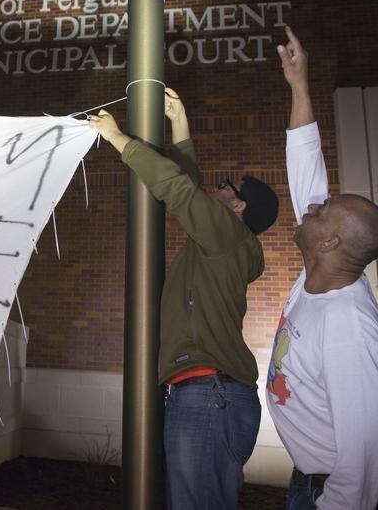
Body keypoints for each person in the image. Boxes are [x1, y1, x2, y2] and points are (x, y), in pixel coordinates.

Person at [89, 88, 279, 509]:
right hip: (213, 394)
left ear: (240, 205)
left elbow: (178, 190)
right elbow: (187, 186)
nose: (219, 187)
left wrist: (118, 138)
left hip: (209, 395)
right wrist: (180, 122)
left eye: (228, 186)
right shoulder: (224, 241)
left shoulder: (228, 236)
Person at [267, 26, 378, 509]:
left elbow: (366, 461)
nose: (310, 208)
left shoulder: (348, 326)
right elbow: (306, 171)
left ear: (328, 241)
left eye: (321, 212)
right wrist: (300, 87)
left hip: (343, 494)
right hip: (312, 480)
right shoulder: (324, 274)